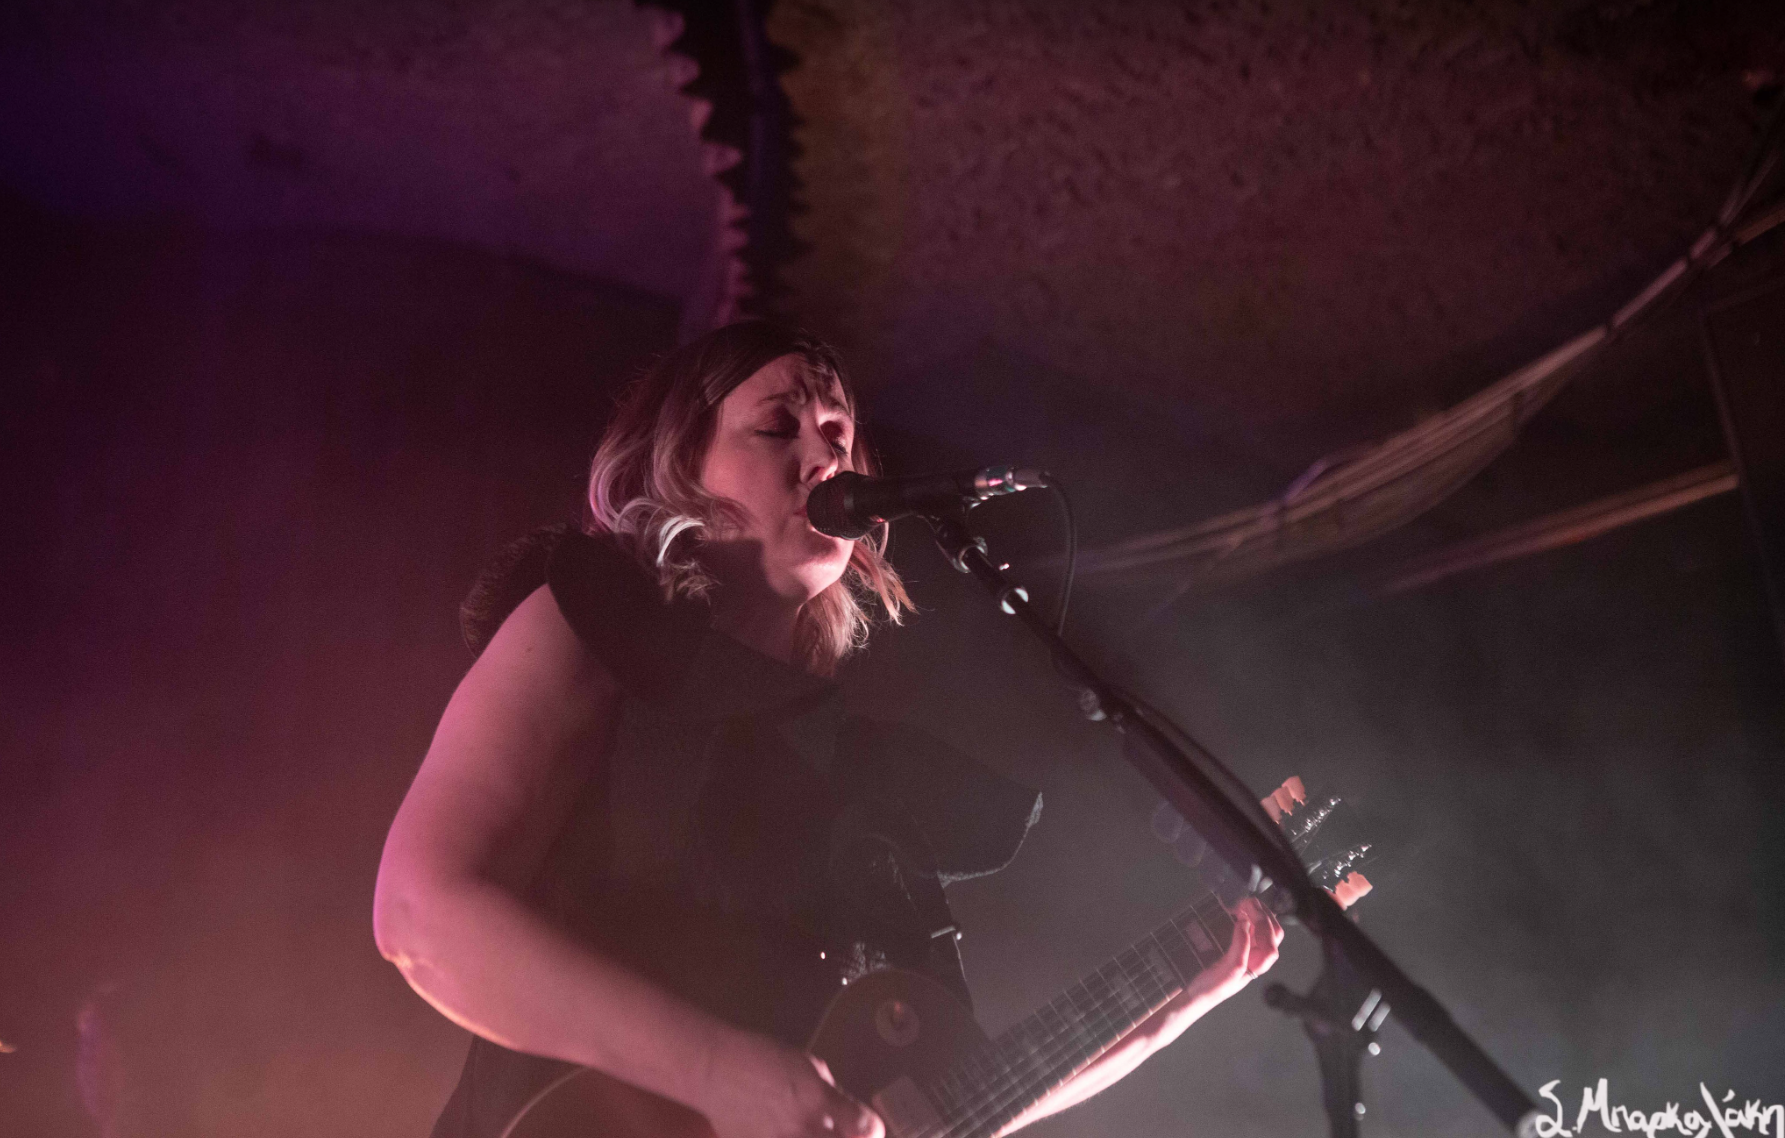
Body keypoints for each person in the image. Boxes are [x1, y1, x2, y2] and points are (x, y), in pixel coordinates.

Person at [373, 321, 1282, 1138]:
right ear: (678, 467)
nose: (826, 458)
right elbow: (420, 913)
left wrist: (1178, 1000)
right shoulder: (589, 623)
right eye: (778, 428)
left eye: (838, 433)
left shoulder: (853, 772)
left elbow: (938, 1108)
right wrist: (718, 1074)